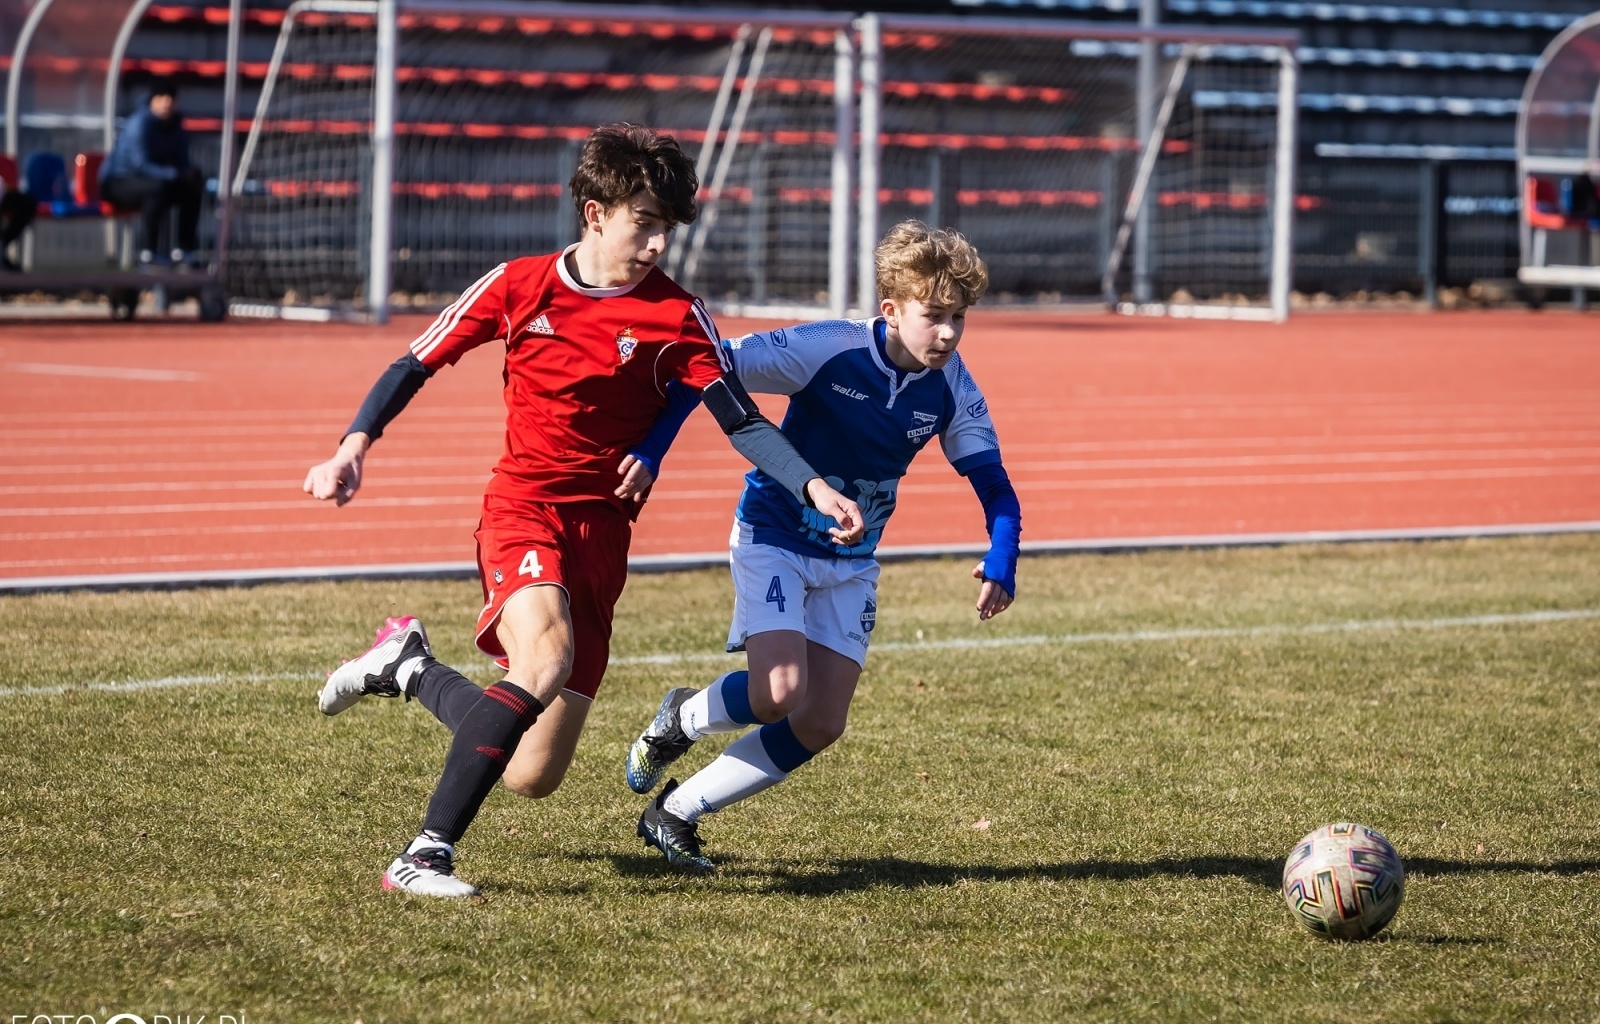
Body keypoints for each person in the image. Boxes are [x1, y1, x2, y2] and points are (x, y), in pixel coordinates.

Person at [302, 123, 863, 898]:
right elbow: (416, 361)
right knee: (546, 660)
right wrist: (352, 445)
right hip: (524, 507)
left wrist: (811, 485)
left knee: (532, 773)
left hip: (602, 537)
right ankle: (424, 854)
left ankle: (409, 667)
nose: (659, 244)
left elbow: (740, 418)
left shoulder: (678, 317)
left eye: (668, 228)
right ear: (595, 213)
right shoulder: (519, 285)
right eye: (645, 223)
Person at [623, 220, 1022, 872]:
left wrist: (1002, 556)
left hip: (851, 564)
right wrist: (651, 450)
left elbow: (997, 489)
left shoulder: (953, 388)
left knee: (819, 722)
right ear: (891, 309)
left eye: (959, 318)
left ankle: (675, 812)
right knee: (778, 690)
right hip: (774, 535)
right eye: (934, 317)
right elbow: (708, 368)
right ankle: (680, 720)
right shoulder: (827, 349)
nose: (948, 333)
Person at [99, 77, 205, 268]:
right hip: (118, 182)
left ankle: (185, 250)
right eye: (161, 97)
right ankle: (150, 252)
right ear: (152, 100)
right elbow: (140, 164)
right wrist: (174, 174)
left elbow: (182, 162)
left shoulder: (176, 126)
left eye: (171, 98)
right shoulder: (139, 123)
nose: (167, 102)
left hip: (156, 181)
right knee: (156, 190)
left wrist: (188, 175)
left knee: (192, 189)